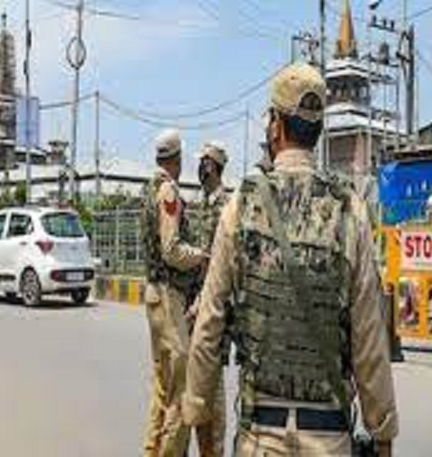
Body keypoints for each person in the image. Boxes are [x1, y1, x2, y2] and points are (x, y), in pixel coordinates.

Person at [182, 62, 398, 456]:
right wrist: (382, 435)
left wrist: (199, 421)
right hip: (329, 438)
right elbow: (370, 339)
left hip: (260, 438)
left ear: (275, 127)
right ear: (318, 130)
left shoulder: (240, 205)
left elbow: (208, 328)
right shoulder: (349, 209)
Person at [141, 128, 208, 457]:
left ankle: (152, 450)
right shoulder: (168, 190)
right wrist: (201, 256)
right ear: (177, 159)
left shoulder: (149, 187)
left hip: (156, 294)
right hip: (169, 295)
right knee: (180, 392)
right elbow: (171, 250)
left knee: (162, 387)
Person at [186, 141, 230, 457]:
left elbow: (219, 263)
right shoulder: (202, 203)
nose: (199, 167)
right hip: (197, 304)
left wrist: (201, 300)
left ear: (211, 166)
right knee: (197, 385)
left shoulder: (226, 205)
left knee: (211, 388)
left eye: (203, 162)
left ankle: (213, 449)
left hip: (212, 306)